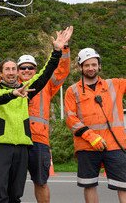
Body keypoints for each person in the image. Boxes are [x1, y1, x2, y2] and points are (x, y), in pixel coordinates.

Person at [0, 26, 72, 203]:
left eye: (13, 69)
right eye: (8, 69)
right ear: (2, 74)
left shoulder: (26, 91)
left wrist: (57, 51)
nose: (11, 72)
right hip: (1, 146)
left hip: (22, 148)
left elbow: (45, 74)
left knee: (16, 195)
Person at [17, 26, 72, 203]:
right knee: (11, 182)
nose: (26, 70)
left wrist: (63, 49)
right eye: (23, 68)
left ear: (35, 69)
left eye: (30, 68)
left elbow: (61, 72)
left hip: (39, 141)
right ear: (17, 70)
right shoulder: (10, 86)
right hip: (15, 139)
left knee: (40, 182)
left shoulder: (47, 84)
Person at [64, 47, 126, 203]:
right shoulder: (72, 91)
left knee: (123, 185)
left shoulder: (114, 84)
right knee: (89, 185)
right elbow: (71, 119)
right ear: (80, 67)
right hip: (87, 146)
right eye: (86, 65)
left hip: (115, 145)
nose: (90, 68)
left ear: (99, 66)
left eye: (93, 64)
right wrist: (91, 137)